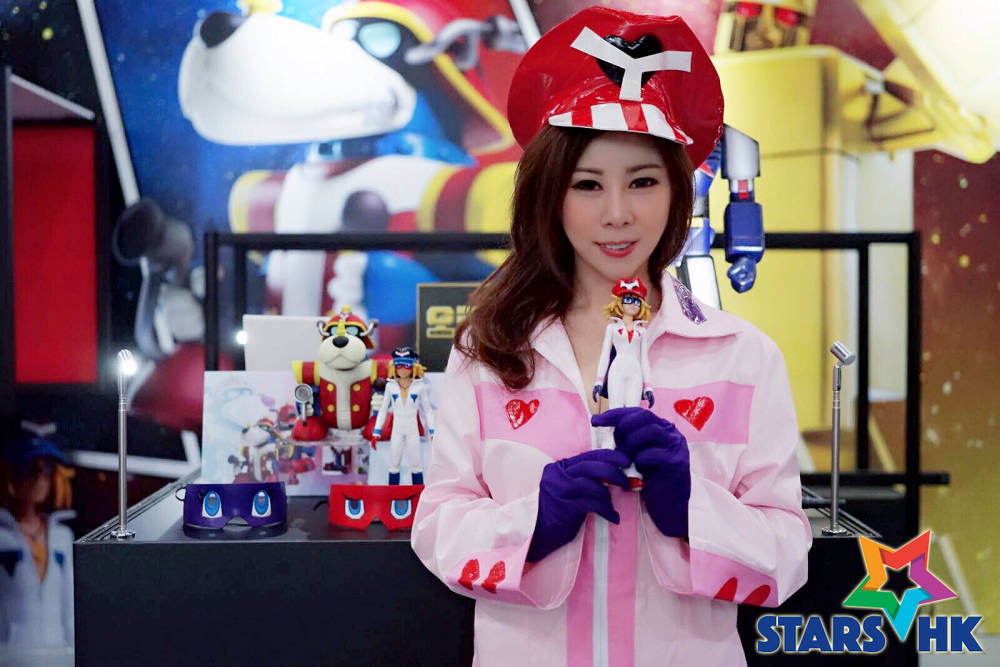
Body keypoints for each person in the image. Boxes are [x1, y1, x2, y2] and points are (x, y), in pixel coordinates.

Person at [410, 7, 811, 665]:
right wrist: (534, 520)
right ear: (551, 196)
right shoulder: (492, 349)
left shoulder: (742, 357)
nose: (617, 214)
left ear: (677, 192)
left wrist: (692, 510)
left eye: (643, 182)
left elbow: (788, 555)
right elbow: (438, 525)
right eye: (588, 185)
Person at [0, 431, 76, 665]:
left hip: (60, 656)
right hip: (11, 657)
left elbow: (70, 608)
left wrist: (76, 653)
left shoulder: (62, 536)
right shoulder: (2, 538)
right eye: (32, 469)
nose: (40, 478)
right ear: (13, 475)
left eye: (46, 469)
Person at [371, 346, 435, 485]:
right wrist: (377, 431)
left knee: (416, 464)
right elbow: (383, 410)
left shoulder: (419, 386)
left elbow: (428, 410)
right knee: (394, 464)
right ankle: (393, 494)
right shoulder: (390, 386)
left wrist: (432, 430)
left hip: (413, 431)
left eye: (406, 365)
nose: (402, 370)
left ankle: (418, 494)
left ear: (413, 367)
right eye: (398, 366)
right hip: (397, 431)